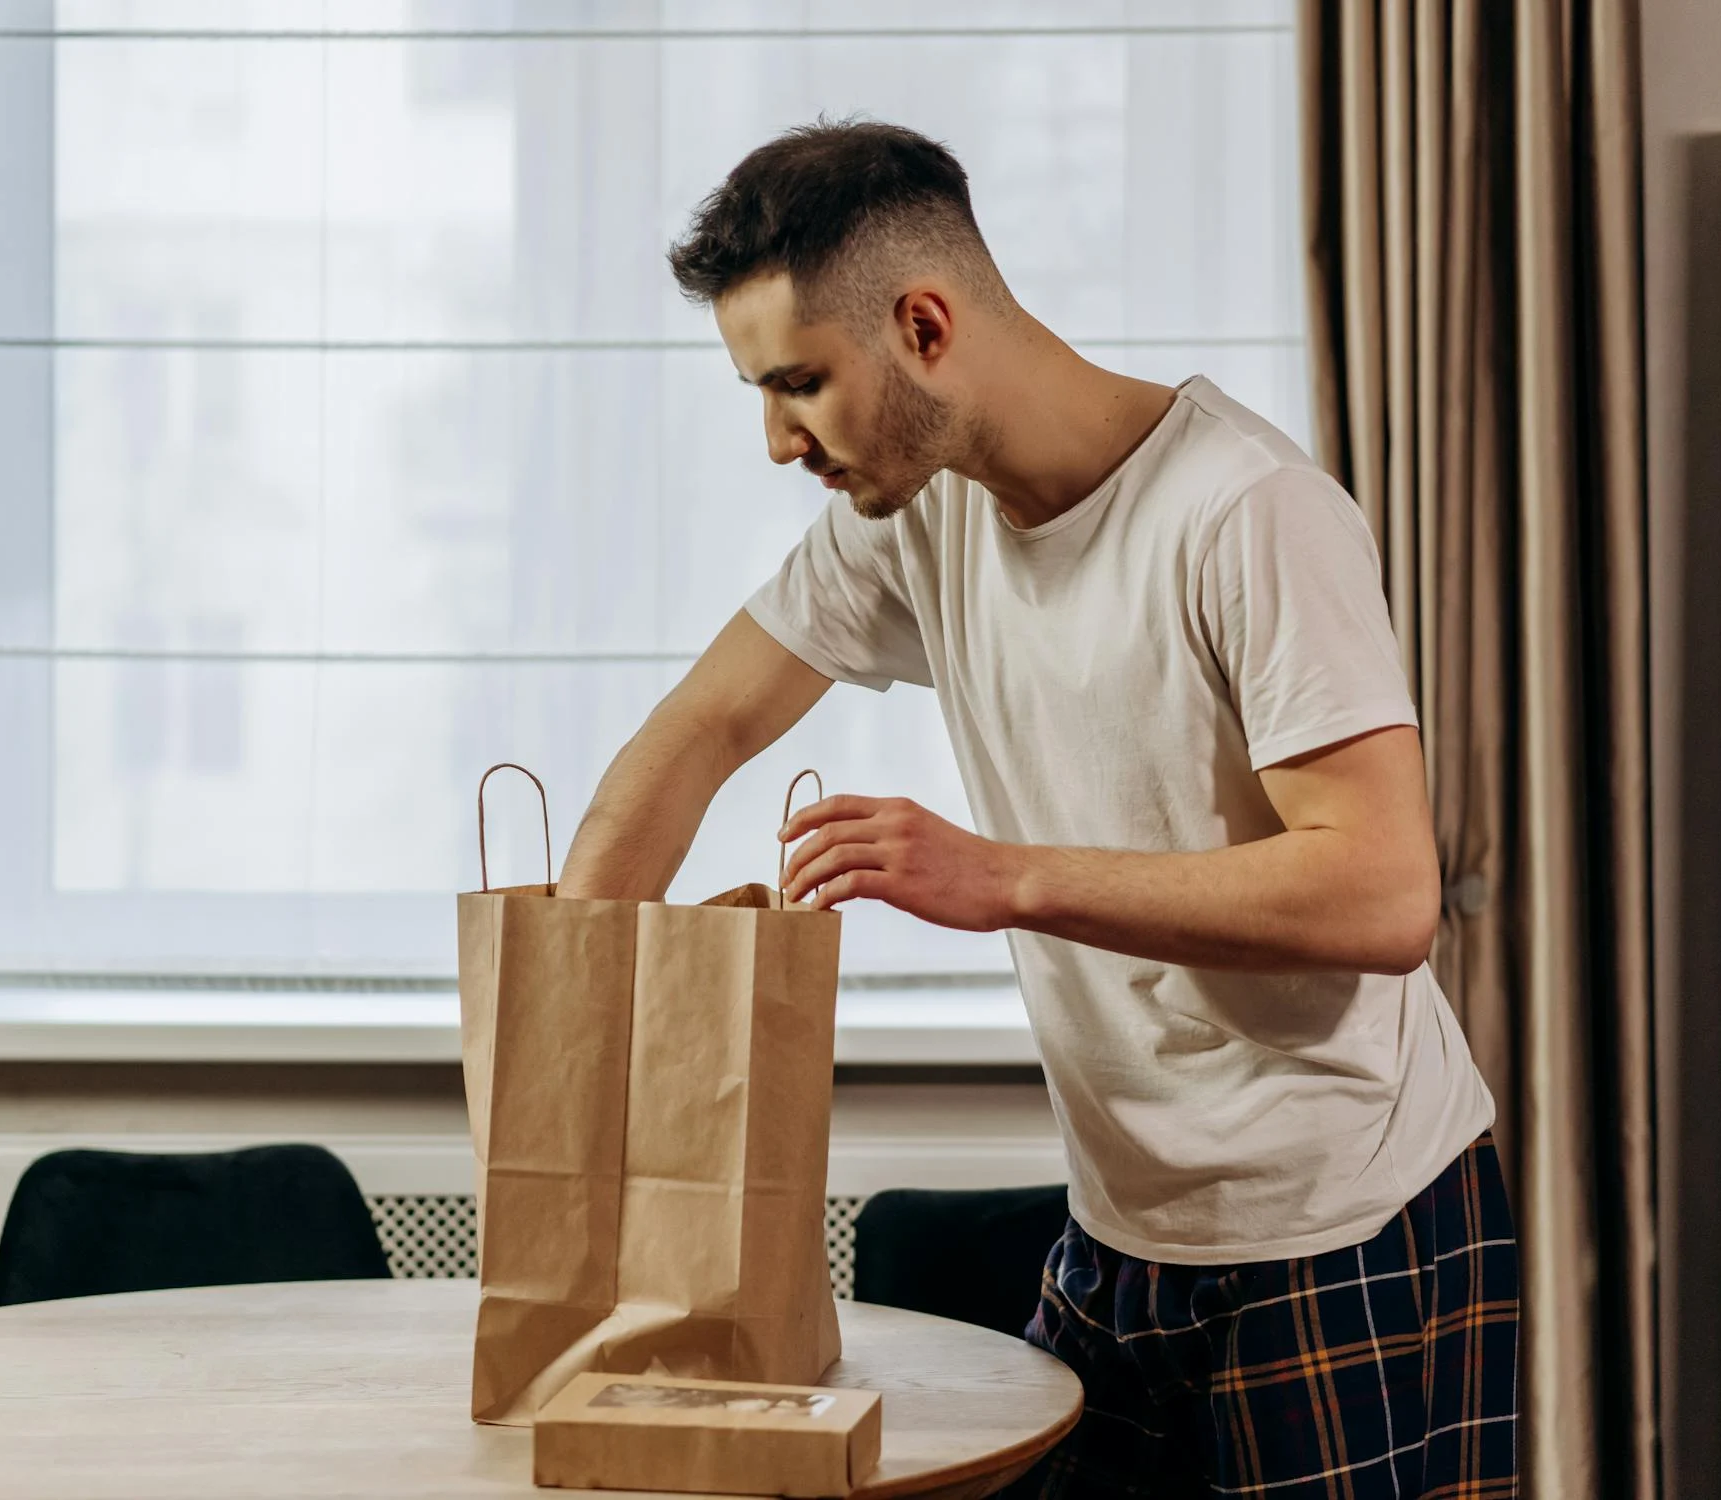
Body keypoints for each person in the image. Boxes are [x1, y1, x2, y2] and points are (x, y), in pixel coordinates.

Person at [554, 118, 1517, 1499]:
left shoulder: (1244, 512)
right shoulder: (917, 520)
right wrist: (572, 997)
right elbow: (701, 727)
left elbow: (1379, 895)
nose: (776, 441)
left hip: (1341, 1231)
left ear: (925, 325)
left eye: (799, 385)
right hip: (1120, 1233)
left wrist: (1000, 878)